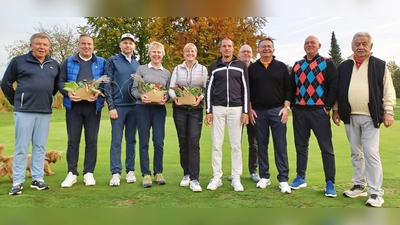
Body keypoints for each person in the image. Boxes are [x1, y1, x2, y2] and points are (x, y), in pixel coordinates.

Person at [332, 32, 396, 207]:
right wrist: (336, 109)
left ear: (371, 46)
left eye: (364, 44)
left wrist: (388, 111)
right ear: (352, 46)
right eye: (357, 44)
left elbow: (388, 90)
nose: (360, 47)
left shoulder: (380, 65)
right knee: (355, 152)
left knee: (371, 152)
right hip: (349, 115)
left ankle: (376, 193)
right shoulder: (344, 66)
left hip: (371, 116)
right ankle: (359, 185)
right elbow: (339, 91)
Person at [1, 33, 60, 195]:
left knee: (40, 147)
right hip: (24, 111)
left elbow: (54, 86)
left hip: (44, 111)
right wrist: (16, 101)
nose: (42, 47)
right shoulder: (18, 61)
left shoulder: (54, 64)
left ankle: (37, 179)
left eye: (45, 45)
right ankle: (18, 181)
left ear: (49, 47)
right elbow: (5, 83)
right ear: (31, 45)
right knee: (21, 147)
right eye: (38, 44)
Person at [289, 35, 338, 197]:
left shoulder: (327, 62)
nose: (309, 45)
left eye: (312, 43)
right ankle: (300, 177)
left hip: (319, 111)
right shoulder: (298, 65)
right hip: (300, 112)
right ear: (304, 46)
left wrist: (328, 106)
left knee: (326, 148)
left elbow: (334, 85)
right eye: (307, 43)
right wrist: (294, 107)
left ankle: (330, 182)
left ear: (319, 45)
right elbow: (291, 88)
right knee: (301, 147)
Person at [58, 34, 105, 188]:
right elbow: (60, 81)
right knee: (73, 141)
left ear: (93, 46)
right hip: (74, 108)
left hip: (93, 108)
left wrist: (98, 94)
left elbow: (105, 83)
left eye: (89, 44)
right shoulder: (68, 61)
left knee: (91, 141)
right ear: (78, 45)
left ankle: (88, 173)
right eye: (83, 44)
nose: (86, 46)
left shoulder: (101, 62)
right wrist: (68, 93)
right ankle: (72, 173)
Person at [205, 37, 250, 192]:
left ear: (233, 48)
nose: (226, 48)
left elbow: (246, 89)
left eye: (229, 46)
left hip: (236, 109)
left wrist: (245, 111)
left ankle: (236, 177)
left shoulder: (241, 66)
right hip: (218, 108)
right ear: (220, 49)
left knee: (236, 144)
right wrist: (208, 110)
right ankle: (216, 177)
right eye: (224, 46)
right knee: (216, 144)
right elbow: (209, 89)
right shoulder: (214, 66)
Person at [248, 37, 292, 193]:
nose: (266, 49)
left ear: (273, 49)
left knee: (280, 145)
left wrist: (286, 107)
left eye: (269, 46)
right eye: (263, 47)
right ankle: (264, 176)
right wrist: (250, 108)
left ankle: (283, 179)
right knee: (261, 145)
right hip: (258, 112)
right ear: (258, 50)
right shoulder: (252, 68)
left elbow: (289, 88)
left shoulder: (281, 67)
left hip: (278, 111)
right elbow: (248, 91)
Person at [168, 43, 208, 192]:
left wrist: (200, 98)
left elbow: (205, 87)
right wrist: (175, 98)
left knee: (194, 142)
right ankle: (186, 174)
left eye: (193, 51)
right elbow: (172, 88)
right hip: (179, 109)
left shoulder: (203, 69)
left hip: (196, 109)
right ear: (184, 53)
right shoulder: (178, 69)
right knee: (183, 142)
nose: (190, 53)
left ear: (196, 53)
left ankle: (195, 179)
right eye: (187, 51)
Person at [131, 41, 171, 188]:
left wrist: (166, 98)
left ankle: (158, 172)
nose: (156, 54)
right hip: (142, 109)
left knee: (159, 142)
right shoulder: (141, 69)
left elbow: (169, 93)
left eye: (159, 52)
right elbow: (134, 89)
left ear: (163, 54)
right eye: (154, 52)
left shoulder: (167, 73)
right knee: (144, 142)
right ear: (149, 54)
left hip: (159, 110)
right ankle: (146, 174)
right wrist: (141, 97)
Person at [104, 33, 140, 186]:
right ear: (120, 45)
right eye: (125, 43)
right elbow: (106, 83)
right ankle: (116, 173)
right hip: (118, 107)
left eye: (130, 43)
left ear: (134, 46)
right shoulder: (112, 60)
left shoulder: (137, 64)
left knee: (131, 140)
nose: (127, 45)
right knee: (116, 141)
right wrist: (111, 106)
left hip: (134, 107)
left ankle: (130, 170)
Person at [227, 44, 260, 183]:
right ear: (239, 54)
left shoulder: (255, 69)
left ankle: (253, 170)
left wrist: (250, 108)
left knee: (254, 143)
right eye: (243, 52)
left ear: (252, 54)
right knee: (236, 142)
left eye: (249, 52)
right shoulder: (236, 67)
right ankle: (235, 172)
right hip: (236, 109)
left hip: (253, 111)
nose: (246, 54)